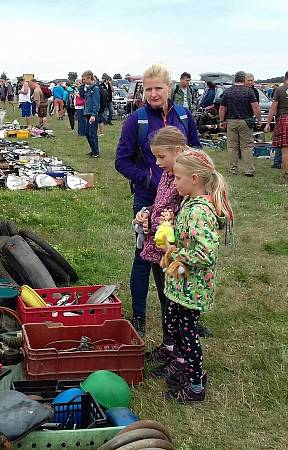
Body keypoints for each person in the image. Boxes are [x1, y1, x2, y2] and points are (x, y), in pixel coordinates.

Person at [114, 63, 200, 336]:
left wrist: (189, 182)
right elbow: (121, 161)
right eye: (148, 88)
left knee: (182, 256)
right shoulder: (136, 120)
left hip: (184, 200)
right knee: (143, 258)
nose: (153, 94)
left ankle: (183, 313)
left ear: (169, 87)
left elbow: (196, 152)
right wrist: (150, 179)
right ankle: (139, 314)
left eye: (158, 88)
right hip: (147, 198)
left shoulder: (184, 116)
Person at [160, 149, 234, 402]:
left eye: (178, 178)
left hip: (193, 287)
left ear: (194, 179)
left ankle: (195, 384)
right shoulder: (189, 204)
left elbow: (205, 254)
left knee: (188, 333)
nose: (174, 181)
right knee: (178, 329)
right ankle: (185, 370)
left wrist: (176, 252)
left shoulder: (199, 211)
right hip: (183, 285)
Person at [133, 126, 185, 368]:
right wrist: (147, 214)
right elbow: (161, 202)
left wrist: (170, 219)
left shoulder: (187, 178)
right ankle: (169, 344)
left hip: (175, 252)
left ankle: (178, 350)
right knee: (165, 298)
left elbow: (189, 211)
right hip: (159, 248)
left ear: (179, 151)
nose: (157, 162)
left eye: (161, 157)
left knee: (175, 302)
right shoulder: (168, 174)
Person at [219, 71, 261, 177]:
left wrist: (222, 121)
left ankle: (233, 169)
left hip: (231, 121)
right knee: (246, 146)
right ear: (243, 79)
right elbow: (255, 107)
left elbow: (222, 108)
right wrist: (259, 120)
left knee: (232, 147)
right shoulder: (249, 92)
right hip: (246, 121)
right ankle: (249, 170)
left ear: (234, 79)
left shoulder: (227, 92)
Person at [81, 70, 101, 157]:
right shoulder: (89, 88)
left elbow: (96, 103)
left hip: (92, 114)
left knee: (92, 134)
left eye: (84, 79)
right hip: (87, 113)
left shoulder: (95, 89)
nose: (83, 81)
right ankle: (93, 150)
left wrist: (94, 115)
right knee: (87, 133)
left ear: (89, 77)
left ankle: (96, 152)